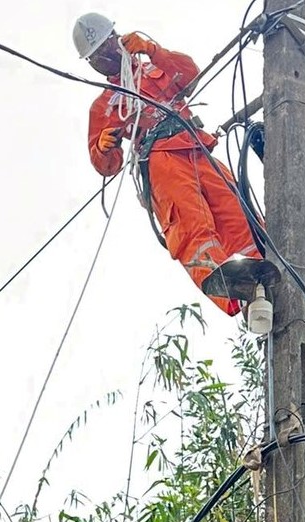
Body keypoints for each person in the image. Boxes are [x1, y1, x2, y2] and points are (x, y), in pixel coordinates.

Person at [74, 12, 269, 315]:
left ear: (117, 38)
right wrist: (103, 148)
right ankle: (232, 292)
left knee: (237, 212)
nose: (104, 57)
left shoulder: (154, 66)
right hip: (160, 160)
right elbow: (106, 164)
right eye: (95, 56)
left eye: (105, 46)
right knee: (191, 224)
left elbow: (190, 75)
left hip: (195, 146)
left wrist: (152, 50)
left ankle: (267, 286)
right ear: (90, 63)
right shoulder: (105, 105)